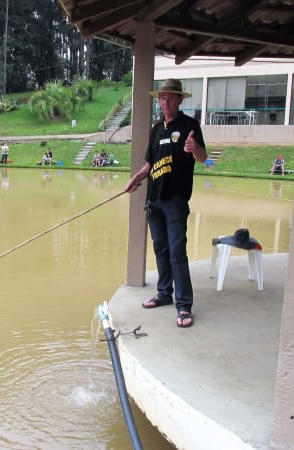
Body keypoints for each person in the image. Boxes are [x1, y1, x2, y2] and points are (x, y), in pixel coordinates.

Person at [124, 79, 207, 328]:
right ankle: (163, 293)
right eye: (161, 98)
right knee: (160, 248)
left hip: (176, 201)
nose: (165, 102)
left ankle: (184, 305)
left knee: (177, 252)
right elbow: (150, 163)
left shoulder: (190, 126)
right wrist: (136, 179)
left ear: (180, 99)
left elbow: (203, 158)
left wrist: (195, 149)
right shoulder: (156, 128)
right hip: (155, 201)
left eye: (170, 97)